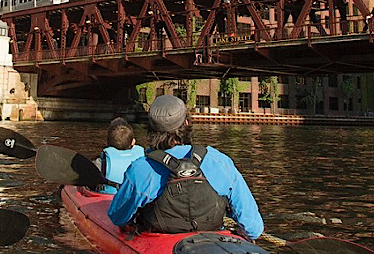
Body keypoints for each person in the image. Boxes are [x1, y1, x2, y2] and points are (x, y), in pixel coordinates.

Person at [108, 94, 263, 238]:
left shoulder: (141, 169)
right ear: (187, 123)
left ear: (151, 129)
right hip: (212, 244)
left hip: (160, 246)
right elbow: (254, 228)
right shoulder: (220, 161)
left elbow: (117, 217)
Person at [98, 117, 145, 195]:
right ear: (133, 142)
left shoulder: (101, 163)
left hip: (108, 196)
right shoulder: (144, 158)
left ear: (107, 143)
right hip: (135, 196)